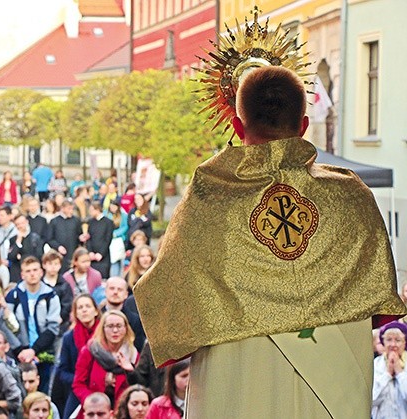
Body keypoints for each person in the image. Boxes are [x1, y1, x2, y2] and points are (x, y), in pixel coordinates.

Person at [134, 66, 406, 418]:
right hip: (335, 387)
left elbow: (169, 310)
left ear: (236, 126)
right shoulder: (353, 196)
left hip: (239, 386)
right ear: (304, 125)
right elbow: (379, 305)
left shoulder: (209, 198)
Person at [5, 256, 61, 394]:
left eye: (35, 270)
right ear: (22, 274)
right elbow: (7, 325)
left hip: (44, 352)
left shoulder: (50, 296)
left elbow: (53, 328)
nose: (32, 274)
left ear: (41, 272)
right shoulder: (13, 296)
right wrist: (21, 350)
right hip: (19, 353)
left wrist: (34, 350)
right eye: (28, 271)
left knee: (43, 393)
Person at [72, 310, 137, 411]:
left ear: (126, 329)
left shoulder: (133, 354)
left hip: (122, 410)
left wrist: (131, 371)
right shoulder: (91, 350)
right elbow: (78, 384)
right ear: (103, 329)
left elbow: (139, 386)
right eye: (110, 326)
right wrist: (92, 401)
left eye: (119, 326)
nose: (115, 330)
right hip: (94, 409)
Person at [55, 294, 101, 418]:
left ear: (96, 311)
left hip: (103, 388)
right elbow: (62, 372)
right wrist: (80, 379)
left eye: (88, 306)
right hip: (78, 390)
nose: (84, 310)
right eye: (80, 308)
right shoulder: (68, 338)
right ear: (75, 313)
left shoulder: (104, 333)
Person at [372, 321, 407, 418]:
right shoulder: (375, 365)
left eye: (398, 340)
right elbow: (371, 401)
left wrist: (400, 372)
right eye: (389, 339)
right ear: (383, 342)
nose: (393, 344)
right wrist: (387, 374)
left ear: (404, 343)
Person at [7, 214, 44, 284]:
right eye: (18, 224)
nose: (20, 226)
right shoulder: (13, 240)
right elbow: (11, 257)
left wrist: (21, 256)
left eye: (22, 223)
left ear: (27, 222)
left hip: (32, 272)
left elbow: (38, 255)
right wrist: (18, 242)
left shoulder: (35, 238)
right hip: (18, 273)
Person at [48, 200, 82, 274]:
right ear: (62, 209)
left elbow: (79, 236)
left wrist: (81, 238)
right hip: (59, 256)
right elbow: (49, 239)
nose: (71, 211)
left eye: (72, 209)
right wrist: (58, 247)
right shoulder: (54, 221)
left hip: (72, 254)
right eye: (69, 209)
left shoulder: (76, 220)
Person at [82, 202, 113, 279]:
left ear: (98, 209)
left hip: (104, 256)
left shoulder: (108, 222)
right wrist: (90, 252)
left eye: (92, 210)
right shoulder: (91, 222)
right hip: (92, 257)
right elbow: (88, 238)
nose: (90, 212)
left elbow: (108, 239)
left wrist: (101, 254)